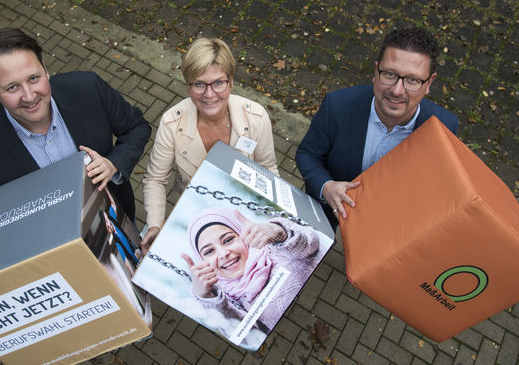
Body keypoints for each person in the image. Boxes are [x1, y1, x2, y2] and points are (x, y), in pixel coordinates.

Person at [0, 28, 150, 220]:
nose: (29, 96)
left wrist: (113, 163)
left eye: (33, 78)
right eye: (12, 87)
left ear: (45, 69)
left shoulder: (89, 89)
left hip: (115, 218)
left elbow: (137, 127)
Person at [295, 27, 459, 229]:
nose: (397, 91)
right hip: (329, 207)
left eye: (412, 80)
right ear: (376, 71)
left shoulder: (443, 128)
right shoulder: (337, 105)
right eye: (390, 74)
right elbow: (308, 154)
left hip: (389, 223)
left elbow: (436, 187)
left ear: (429, 83)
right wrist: (326, 187)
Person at [141, 37, 279, 249]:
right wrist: (155, 225)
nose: (209, 94)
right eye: (199, 84)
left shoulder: (256, 118)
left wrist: (270, 220)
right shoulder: (171, 123)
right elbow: (155, 179)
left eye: (218, 82)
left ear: (231, 82)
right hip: (194, 218)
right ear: (188, 86)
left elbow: (268, 169)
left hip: (244, 219)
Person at [182, 206, 323, 332]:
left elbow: (313, 243)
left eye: (228, 240)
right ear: (202, 261)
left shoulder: (274, 244)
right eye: (209, 251)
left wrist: (280, 234)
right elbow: (248, 335)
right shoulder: (226, 299)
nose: (223, 254)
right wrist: (207, 297)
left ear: (241, 233)